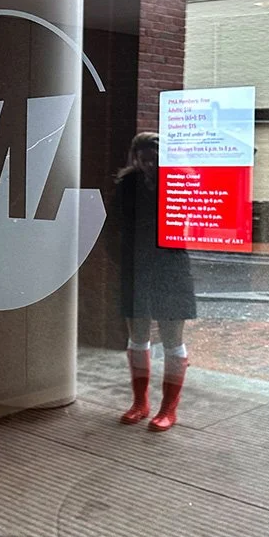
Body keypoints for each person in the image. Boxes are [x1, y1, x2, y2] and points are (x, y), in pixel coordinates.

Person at [114, 132, 196, 432]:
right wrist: (122, 262)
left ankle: (168, 409)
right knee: (137, 337)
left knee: (173, 338)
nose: (148, 164)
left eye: (154, 158)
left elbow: (193, 215)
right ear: (135, 157)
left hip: (171, 266)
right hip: (137, 267)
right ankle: (140, 403)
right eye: (143, 158)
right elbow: (114, 226)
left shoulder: (178, 182)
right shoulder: (127, 185)